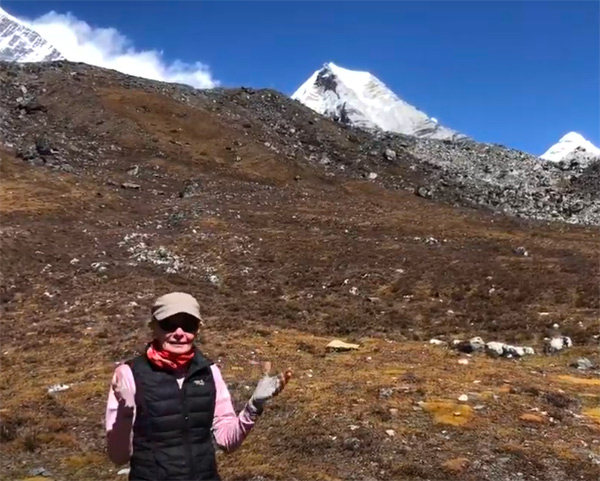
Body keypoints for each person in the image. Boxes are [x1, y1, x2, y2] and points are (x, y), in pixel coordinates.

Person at [105, 292, 292, 481]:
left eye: (188, 325)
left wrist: (254, 405)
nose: (179, 333)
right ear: (154, 327)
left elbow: (227, 441)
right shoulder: (128, 374)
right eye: (169, 324)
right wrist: (125, 412)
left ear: (198, 329)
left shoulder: (209, 371)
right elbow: (118, 457)